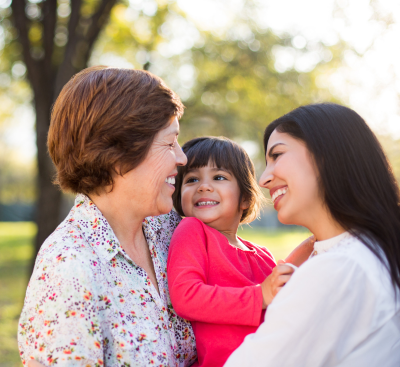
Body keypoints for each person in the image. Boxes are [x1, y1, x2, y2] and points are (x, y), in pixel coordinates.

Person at [18, 66, 197, 367]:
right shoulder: (68, 267)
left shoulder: (171, 231)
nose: (182, 158)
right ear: (119, 153)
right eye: (168, 143)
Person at [225, 103, 400, 367]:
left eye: (277, 155)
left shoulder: (339, 268)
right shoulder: (371, 250)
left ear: (328, 155)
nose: (263, 179)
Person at [167, 137, 313, 367]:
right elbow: (186, 297)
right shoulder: (193, 231)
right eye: (192, 179)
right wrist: (259, 297)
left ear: (244, 198)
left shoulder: (261, 252)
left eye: (219, 177)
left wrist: (314, 242)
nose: (203, 186)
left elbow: (279, 282)